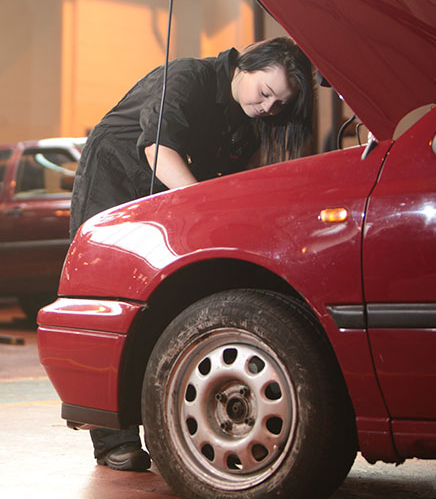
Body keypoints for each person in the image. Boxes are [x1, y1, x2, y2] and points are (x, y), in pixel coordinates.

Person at [68, 36, 316, 472]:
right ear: (248, 64)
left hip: (172, 195)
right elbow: (158, 150)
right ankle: (112, 441)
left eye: (278, 106)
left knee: (169, 306)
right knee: (113, 301)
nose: (267, 109)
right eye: (264, 93)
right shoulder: (188, 78)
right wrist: (210, 213)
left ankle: (163, 423)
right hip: (116, 180)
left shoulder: (244, 120)